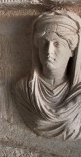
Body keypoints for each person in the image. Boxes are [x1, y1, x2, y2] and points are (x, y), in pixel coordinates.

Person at [15, 10, 81, 140]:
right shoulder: (24, 89)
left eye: (57, 44)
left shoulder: (78, 95)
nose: (49, 51)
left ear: (71, 51)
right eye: (44, 43)